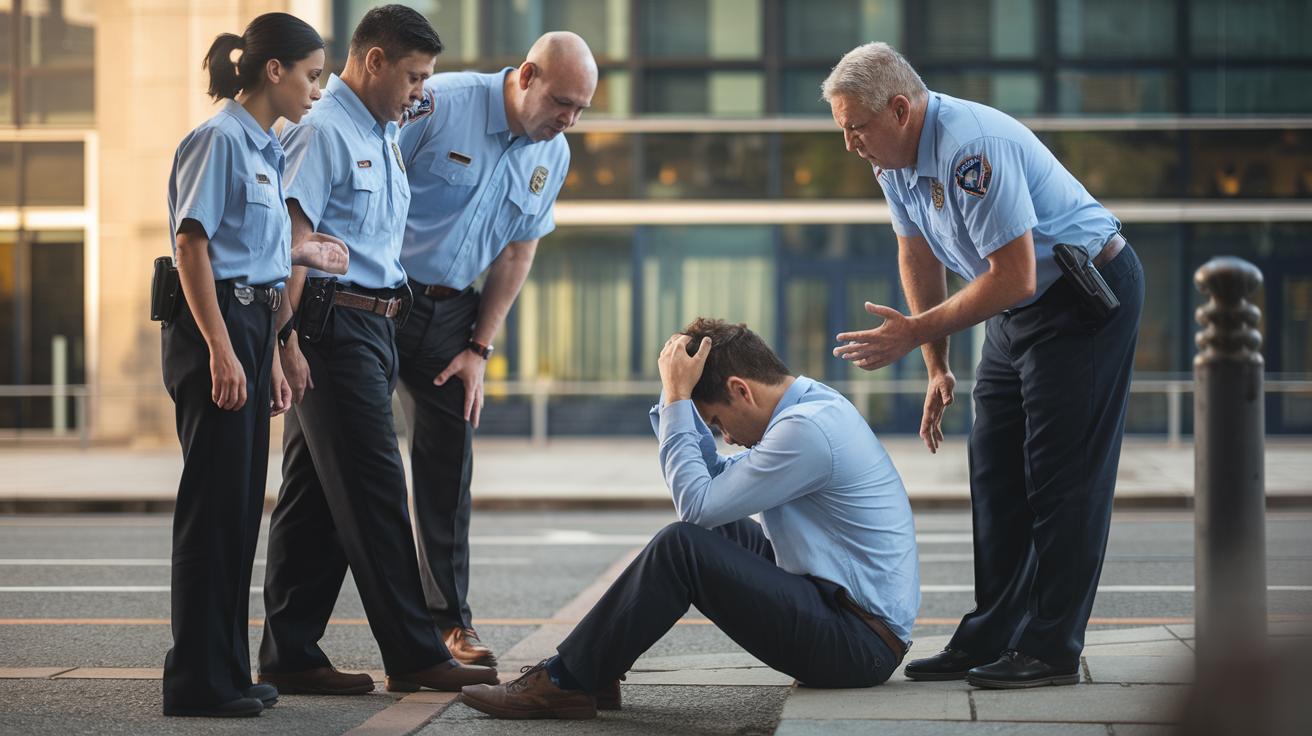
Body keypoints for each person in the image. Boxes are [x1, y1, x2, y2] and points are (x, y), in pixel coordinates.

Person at [822, 42, 1144, 688]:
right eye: (843, 130)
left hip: (1081, 299)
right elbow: (917, 256)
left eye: (856, 128)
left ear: (900, 108)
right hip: (1015, 308)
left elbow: (1017, 274)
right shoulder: (893, 162)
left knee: (1061, 480)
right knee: (995, 473)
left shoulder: (969, 148)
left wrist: (913, 333)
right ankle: (992, 635)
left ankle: (1051, 648)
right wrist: (937, 364)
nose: (850, 144)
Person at [458, 319, 920, 719]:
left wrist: (679, 398)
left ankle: (566, 680)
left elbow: (695, 505)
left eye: (717, 421)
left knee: (681, 546)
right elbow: (715, 487)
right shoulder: (808, 408)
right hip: (841, 611)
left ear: (741, 389)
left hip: (858, 644)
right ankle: (592, 672)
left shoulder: (806, 432)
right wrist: (673, 395)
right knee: (709, 530)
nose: (725, 437)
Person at [256, 5, 497, 696]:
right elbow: (291, 248)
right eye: (415, 76)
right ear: (373, 63)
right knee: (377, 487)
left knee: (313, 500)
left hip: (375, 327)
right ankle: (416, 654)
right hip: (331, 330)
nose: (422, 91)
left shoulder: (384, 131)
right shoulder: (323, 131)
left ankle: (290, 654)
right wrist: (285, 340)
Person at [392, 31, 596, 666]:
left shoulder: (552, 153)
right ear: (527, 76)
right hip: (376, 298)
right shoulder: (440, 105)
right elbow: (360, 188)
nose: (569, 120)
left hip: (454, 314)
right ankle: (294, 640)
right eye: (562, 102)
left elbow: (518, 248)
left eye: (582, 109)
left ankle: (450, 624)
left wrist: (480, 346)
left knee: (449, 467)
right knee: (330, 469)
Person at [162, 12, 345, 718]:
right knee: (211, 512)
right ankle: (198, 683)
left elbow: (261, 266)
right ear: (274, 71)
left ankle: (229, 674)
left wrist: (270, 347)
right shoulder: (217, 140)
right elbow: (193, 248)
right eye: (311, 75)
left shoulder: (265, 150)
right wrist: (219, 347)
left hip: (249, 322)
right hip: (214, 325)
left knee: (239, 512)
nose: (316, 90)